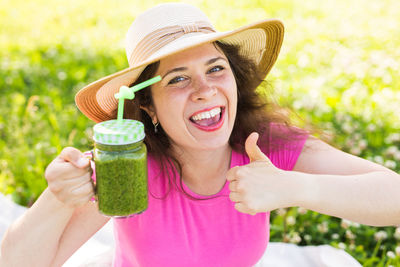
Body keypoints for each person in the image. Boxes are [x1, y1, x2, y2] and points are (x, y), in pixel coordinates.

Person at [1, 2, 400, 267]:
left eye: (215, 68)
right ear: (148, 107)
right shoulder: (127, 166)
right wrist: (56, 200)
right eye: (177, 79)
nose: (205, 90)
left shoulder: (262, 143)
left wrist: (295, 187)